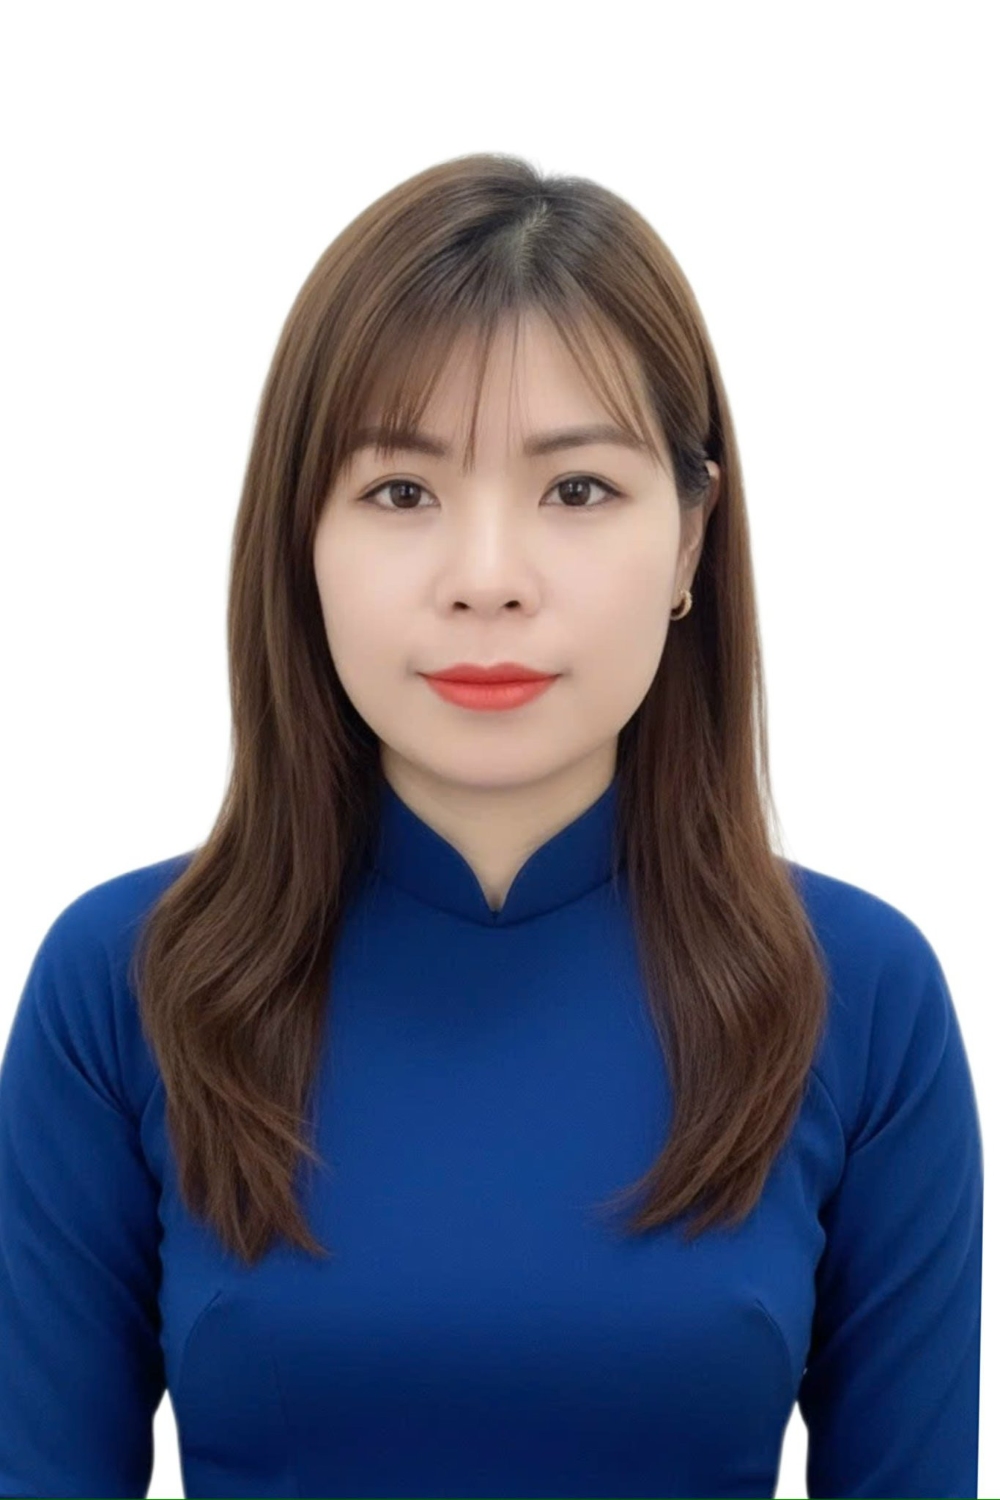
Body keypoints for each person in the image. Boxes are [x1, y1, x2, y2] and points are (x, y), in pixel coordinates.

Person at [0, 153, 983, 1499]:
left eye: (576, 491)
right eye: (401, 492)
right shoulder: (124, 985)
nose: (486, 581)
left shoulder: (858, 997)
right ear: (302, 539)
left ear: (691, 539)